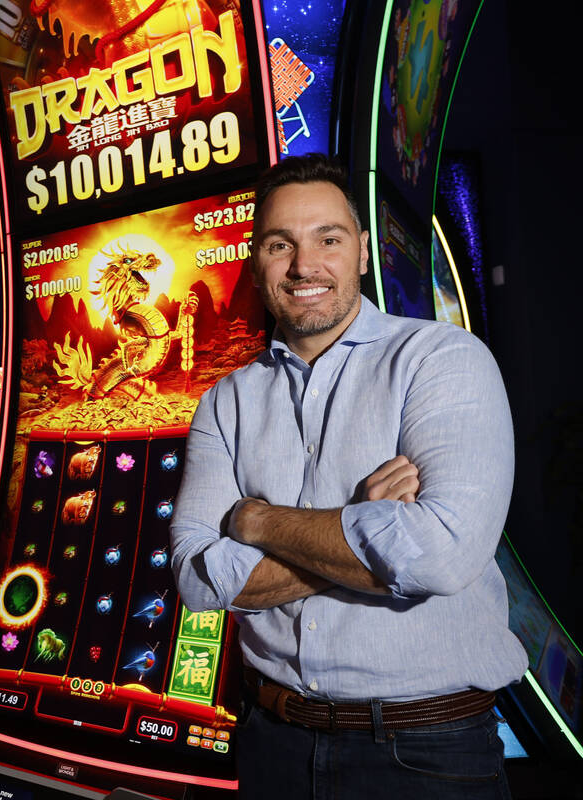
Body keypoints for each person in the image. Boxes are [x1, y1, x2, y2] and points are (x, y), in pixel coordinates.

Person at [169, 153, 526, 799]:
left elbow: (441, 557)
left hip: (426, 753)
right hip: (271, 743)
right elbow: (197, 578)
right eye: (281, 244)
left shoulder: (441, 360)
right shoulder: (226, 400)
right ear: (256, 260)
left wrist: (259, 521)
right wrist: (364, 524)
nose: (305, 266)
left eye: (328, 239)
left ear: (361, 251)